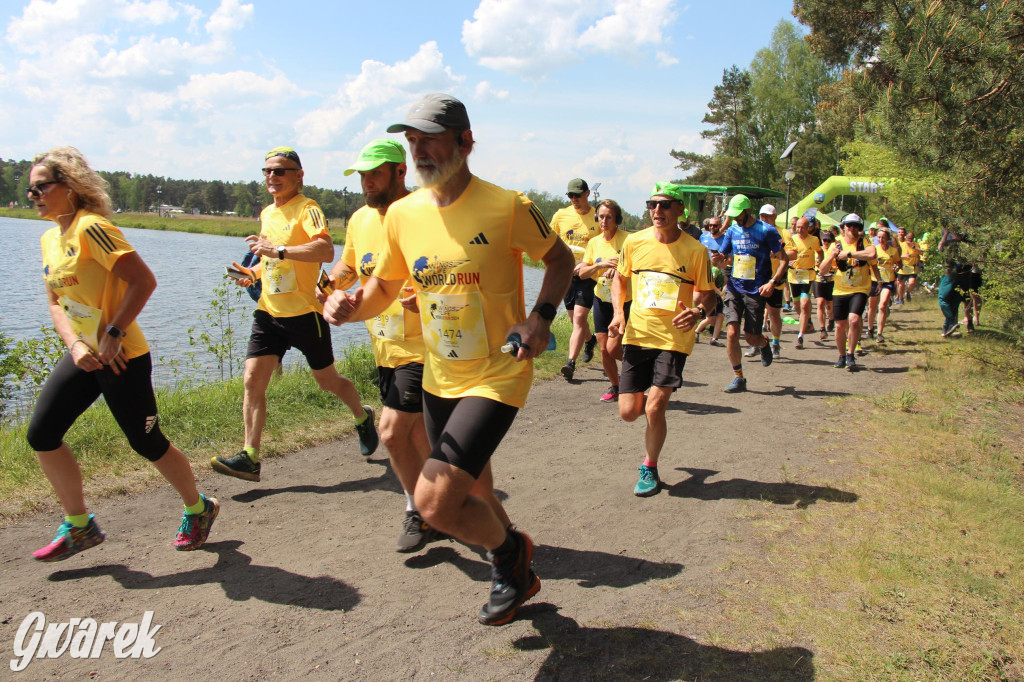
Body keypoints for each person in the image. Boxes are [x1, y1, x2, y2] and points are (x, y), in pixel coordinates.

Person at [322, 93, 574, 626]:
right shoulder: (403, 215)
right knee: (475, 488)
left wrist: (541, 318)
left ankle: (509, 557)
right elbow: (385, 286)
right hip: (440, 374)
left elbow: (560, 258)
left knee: (434, 503)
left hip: (497, 372)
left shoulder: (507, 205)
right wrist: (347, 306)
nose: (418, 150)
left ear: (465, 141)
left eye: (429, 138)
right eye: (411, 140)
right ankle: (517, 567)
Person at [25, 146, 218, 561]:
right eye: (30, 191)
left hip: (121, 355)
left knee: (145, 442)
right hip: (84, 354)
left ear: (71, 188)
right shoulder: (49, 239)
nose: (34, 196)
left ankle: (199, 507)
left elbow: (143, 281)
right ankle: (80, 526)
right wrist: (76, 345)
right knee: (42, 435)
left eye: (42, 187)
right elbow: (56, 303)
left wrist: (113, 332)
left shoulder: (92, 228)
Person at [211, 146, 378, 482]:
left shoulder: (308, 209)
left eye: (280, 171)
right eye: (267, 171)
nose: (272, 177)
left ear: (299, 176)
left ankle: (362, 417)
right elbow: (271, 259)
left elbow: (326, 248)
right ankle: (250, 456)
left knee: (327, 381)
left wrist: (280, 249)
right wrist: (254, 274)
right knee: (252, 382)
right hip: (268, 314)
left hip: (305, 313)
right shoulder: (267, 215)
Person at [326, 139, 437, 552]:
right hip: (385, 347)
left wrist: (424, 295)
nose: (367, 183)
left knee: (391, 433)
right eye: (362, 175)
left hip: (424, 348)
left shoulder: (424, 212)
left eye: (374, 174)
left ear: (400, 172)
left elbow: (450, 267)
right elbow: (349, 265)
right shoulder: (359, 219)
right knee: (419, 438)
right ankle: (445, 504)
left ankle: (417, 512)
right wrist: (330, 286)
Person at [609, 182, 715, 497]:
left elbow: (708, 296)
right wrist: (618, 312)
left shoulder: (696, 251)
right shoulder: (634, 242)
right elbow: (620, 280)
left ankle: (649, 467)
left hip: (674, 338)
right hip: (638, 334)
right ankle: (654, 410)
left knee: (655, 408)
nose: (658, 210)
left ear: (681, 210)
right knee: (628, 412)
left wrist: (697, 312)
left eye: (666, 205)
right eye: (653, 204)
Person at [711, 194, 788, 393]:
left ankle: (763, 344)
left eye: (738, 215)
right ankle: (739, 378)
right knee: (732, 333)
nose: (735, 218)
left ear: (747, 211)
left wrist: (772, 282)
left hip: (756, 290)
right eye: (733, 215)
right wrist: (718, 260)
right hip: (735, 287)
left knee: (751, 337)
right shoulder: (732, 230)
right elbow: (725, 258)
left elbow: (784, 259)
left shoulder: (766, 230)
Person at [579, 199, 630, 402]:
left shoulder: (628, 240)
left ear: (617, 219)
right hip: (601, 298)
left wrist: (617, 268)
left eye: (609, 217)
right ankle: (616, 387)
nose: (604, 220)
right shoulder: (594, 242)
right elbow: (583, 273)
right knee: (603, 349)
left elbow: (636, 268)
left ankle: (637, 369)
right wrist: (600, 266)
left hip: (625, 300)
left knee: (613, 347)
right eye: (601, 216)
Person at [550, 178, 600, 380]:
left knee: (580, 318)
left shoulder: (598, 216)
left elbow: (605, 243)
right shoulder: (561, 215)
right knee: (573, 319)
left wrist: (592, 264)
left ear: (587, 193)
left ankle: (570, 362)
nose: (574, 199)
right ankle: (590, 340)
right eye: (570, 195)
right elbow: (550, 239)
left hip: (588, 275)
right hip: (566, 274)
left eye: (577, 195)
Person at [819, 213, 876, 370]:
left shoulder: (864, 241)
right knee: (840, 326)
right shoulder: (836, 245)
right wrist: (832, 256)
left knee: (854, 320)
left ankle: (851, 354)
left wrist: (849, 254)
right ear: (843, 228)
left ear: (859, 228)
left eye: (855, 226)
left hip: (860, 288)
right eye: (849, 225)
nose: (852, 229)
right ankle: (842, 355)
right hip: (840, 290)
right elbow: (822, 271)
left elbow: (872, 254)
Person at [782, 217, 822, 349]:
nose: (800, 229)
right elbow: (785, 255)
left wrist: (819, 261)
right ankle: (807, 321)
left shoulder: (814, 240)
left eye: (803, 227)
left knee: (805, 304)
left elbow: (820, 252)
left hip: (808, 275)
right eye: (798, 227)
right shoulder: (792, 240)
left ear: (808, 227)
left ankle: (800, 335)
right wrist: (788, 261)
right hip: (794, 275)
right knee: (797, 305)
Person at [758, 204, 787, 357]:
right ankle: (756, 343)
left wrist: (776, 254)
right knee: (755, 312)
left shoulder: (782, 232)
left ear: (775, 216)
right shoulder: (755, 231)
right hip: (757, 277)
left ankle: (775, 343)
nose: (764, 218)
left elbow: (793, 253)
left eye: (768, 216)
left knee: (774, 313)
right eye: (762, 215)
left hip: (775, 279)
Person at [867, 226, 901, 345]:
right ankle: (870, 329)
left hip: (888, 280)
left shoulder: (893, 251)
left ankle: (880, 333)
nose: (881, 239)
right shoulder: (874, 250)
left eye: (883, 238)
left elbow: (899, 262)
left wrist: (897, 267)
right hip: (875, 280)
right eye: (879, 237)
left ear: (888, 239)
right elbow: (871, 264)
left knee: (882, 306)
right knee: (872, 307)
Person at [814, 229, 837, 341]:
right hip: (818, 279)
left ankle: (831, 319)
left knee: (829, 305)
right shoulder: (818, 251)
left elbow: (837, 266)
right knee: (820, 303)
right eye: (824, 240)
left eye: (828, 240)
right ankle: (822, 329)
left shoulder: (833, 250)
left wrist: (830, 267)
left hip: (831, 279)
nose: (826, 242)